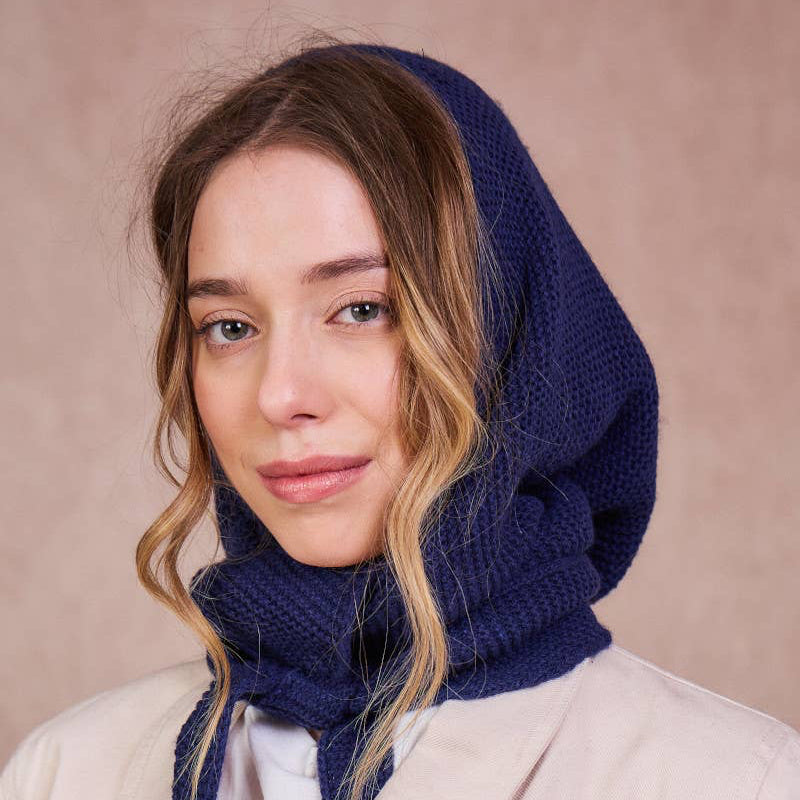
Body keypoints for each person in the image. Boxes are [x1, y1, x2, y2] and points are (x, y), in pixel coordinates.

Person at [2, 33, 799, 800]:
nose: (281, 395)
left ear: (505, 332)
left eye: (360, 309)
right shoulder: (65, 772)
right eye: (230, 327)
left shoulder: (734, 780)